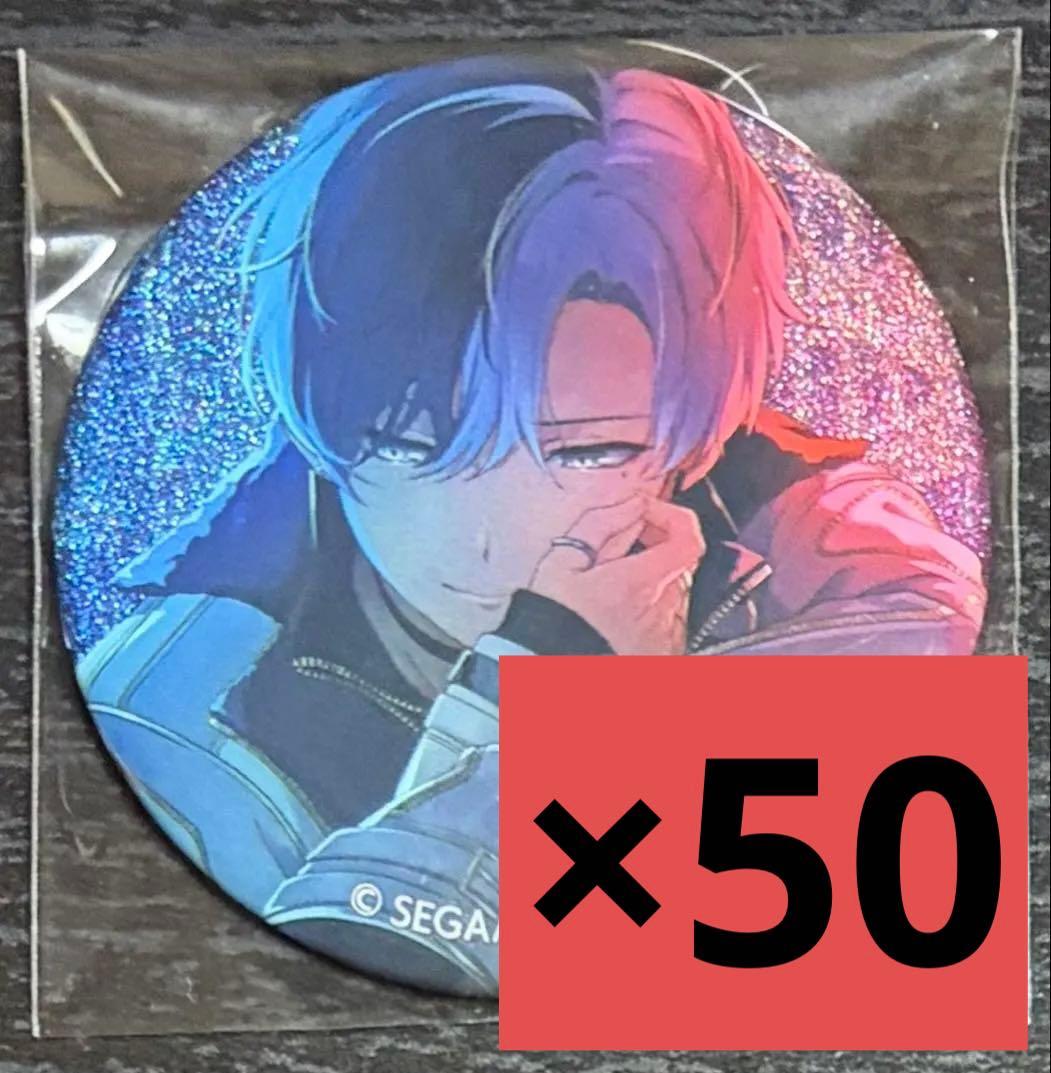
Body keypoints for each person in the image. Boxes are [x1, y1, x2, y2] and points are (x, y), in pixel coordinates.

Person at [77, 56, 986, 994]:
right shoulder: (167, 710)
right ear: (319, 417)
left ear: (696, 432)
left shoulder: (864, 591)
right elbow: (304, 989)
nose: (487, 540)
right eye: (406, 444)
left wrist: (569, 712)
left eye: (588, 453)